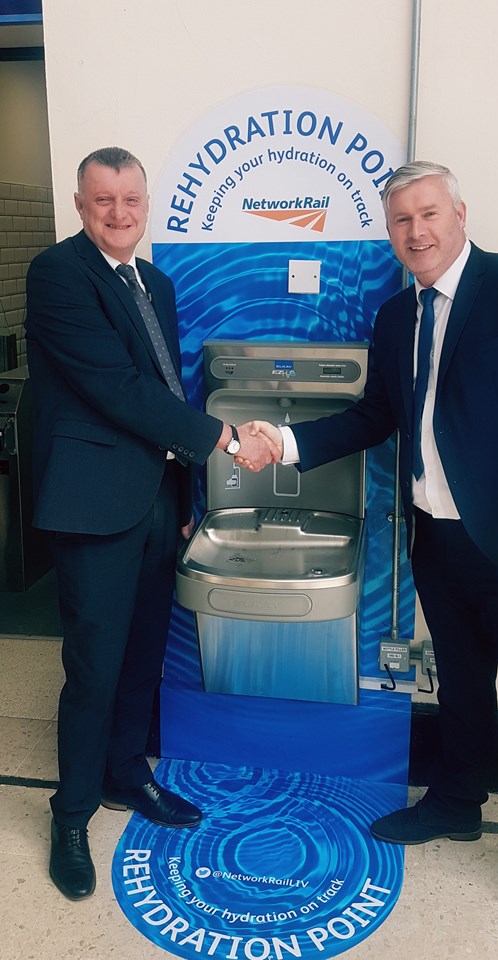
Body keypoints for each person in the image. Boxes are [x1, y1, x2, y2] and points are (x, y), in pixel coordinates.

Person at [242, 161, 498, 954]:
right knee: (463, 685)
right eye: (402, 220)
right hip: (439, 537)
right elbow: (378, 414)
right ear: (391, 232)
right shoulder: (394, 316)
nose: (418, 231)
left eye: (430, 213)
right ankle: (456, 802)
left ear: (459, 212)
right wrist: (290, 440)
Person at [25, 146, 278, 902]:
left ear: (146, 201)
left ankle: (126, 776)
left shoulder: (156, 284)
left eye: (130, 198)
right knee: (94, 666)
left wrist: (188, 484)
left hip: (157, 499)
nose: (118, 212)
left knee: (142, 657)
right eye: (102, 200)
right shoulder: (59, 274)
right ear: (80, 205)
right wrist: (227, 440)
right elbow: (121, 388)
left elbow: (166, 385)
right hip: (94, 507)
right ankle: (70, 816)